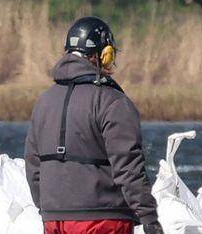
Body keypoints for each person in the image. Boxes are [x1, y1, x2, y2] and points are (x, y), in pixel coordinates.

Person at [25, 17, 162, 234]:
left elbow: (33, 166)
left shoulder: (43, 102)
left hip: (54, 220)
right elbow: (128, 166)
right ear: (102, 55)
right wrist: (149, 217)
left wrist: (48, 208)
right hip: (102, 219)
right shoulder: (112, 101)